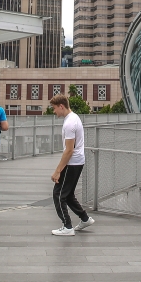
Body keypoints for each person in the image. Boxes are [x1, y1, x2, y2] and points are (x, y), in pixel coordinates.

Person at [48, 94, 94, 236]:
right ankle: (85, 219)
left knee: (58, 194)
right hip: (78, 161)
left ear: (61, 106)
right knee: (68, 195)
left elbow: (69, 150)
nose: (54, 111)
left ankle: (67, 226)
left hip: (73, 162)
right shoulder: (74, 118)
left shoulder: (69, 123)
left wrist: (58, 171)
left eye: (54, 108)